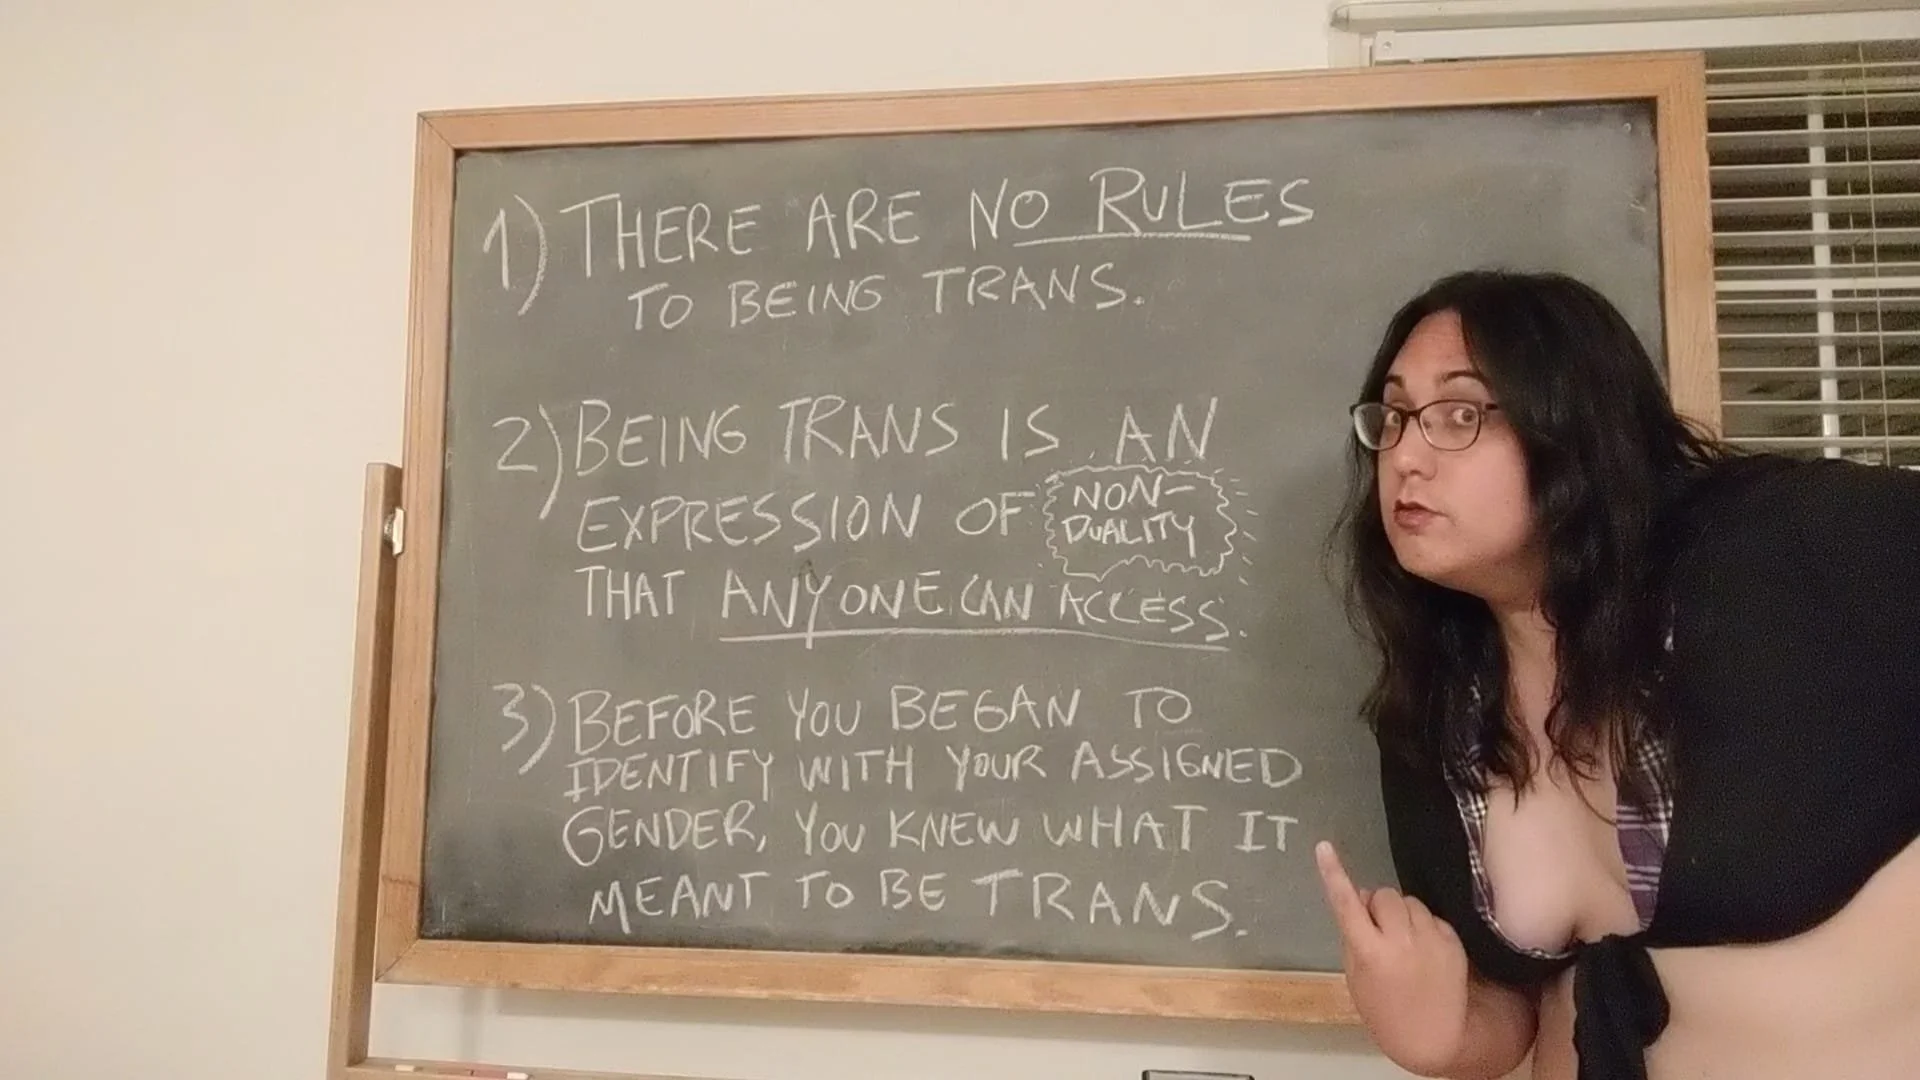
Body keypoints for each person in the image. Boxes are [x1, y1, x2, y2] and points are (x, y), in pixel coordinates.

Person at [1312, 268, 1920, 1080]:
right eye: (1393, 418)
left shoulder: (1787, 549)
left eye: (1460, 414)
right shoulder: (1439, 709)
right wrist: (1439, 1036)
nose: (1405, 458)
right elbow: (1518, 1008)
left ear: (1575, 424)